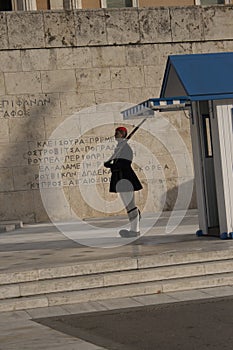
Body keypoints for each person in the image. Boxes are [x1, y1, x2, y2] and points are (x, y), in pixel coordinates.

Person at [104, 126, 142, 238]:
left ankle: (135, 230)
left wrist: (112, 165)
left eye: (118, 133)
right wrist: (110, 163)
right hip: (120, 179)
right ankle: (134, 228)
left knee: (130, 205)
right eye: (115, 132)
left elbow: (125, 163)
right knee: (127, 205)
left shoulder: (126, 148)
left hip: (126, 179)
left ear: (123, 134)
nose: (115, 134)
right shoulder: (119, 147)